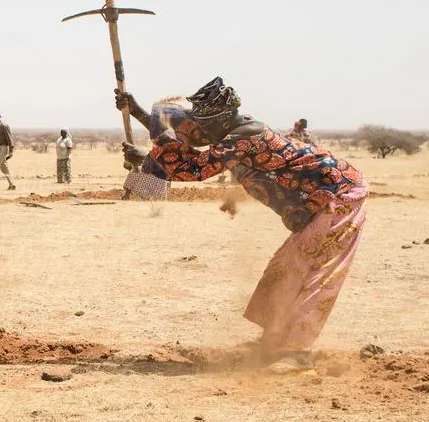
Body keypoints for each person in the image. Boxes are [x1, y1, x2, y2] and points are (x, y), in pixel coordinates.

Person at [115, 77, 368, 374]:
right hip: (319, 202)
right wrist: (139, 113)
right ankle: (275, 341)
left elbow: (195, 167)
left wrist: (146, 155)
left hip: (339, 197)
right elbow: (190, 141)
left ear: (220, 120)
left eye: (205, 125)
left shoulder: (244, 137)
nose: (201, 132)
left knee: (317, 273)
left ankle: (297, 353)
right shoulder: (234, 132)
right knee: (286, 267)